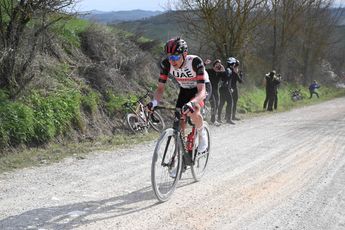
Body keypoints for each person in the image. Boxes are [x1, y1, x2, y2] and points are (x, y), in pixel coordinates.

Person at [147, 37, 208, 156]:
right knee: (179, 123)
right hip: (185, 89)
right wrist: (154, 103)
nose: (172, 61)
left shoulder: (195, 62)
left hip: (200, 89)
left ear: (185, 54)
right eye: (170, 57)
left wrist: (192, 103)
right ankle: (179, 158)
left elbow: (202, 91)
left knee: (194, 110)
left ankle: (202, 134)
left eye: (175, 57)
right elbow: (160, 88)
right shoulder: (166, 64)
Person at [205, 59, 226, 126]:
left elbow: (225, 79)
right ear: (214, 65)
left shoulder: (220, 73)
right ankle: (213, 120)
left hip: (215, 90)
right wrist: (205, 64)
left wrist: (223, 71)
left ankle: (212, 118)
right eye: (217, 65)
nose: (218, 66)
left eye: (219, 65)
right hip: (209, 89)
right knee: (213, 104)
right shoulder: (209, 71)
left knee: (216, 104)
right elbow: (201, 70)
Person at [217, 57, 236, 124]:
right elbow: (226, 78)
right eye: (234, 63)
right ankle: (228, 119)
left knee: (222, 103)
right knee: (230, 102)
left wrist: (229, 87)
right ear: (232, 64)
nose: (235, 65)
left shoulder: (227, 69)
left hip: (223, 88)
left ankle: (219, 118)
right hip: (225, 89)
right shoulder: (229, 70)